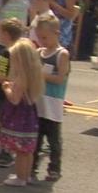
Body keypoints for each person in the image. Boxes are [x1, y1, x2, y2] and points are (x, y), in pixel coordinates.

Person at [0, 38, 43, 186]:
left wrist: (6, 88)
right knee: (28, 150)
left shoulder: (20, 78)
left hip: (19, 118)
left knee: (20, 151)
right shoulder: (34, 75)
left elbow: (15, 99)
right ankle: (27, 175)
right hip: (30, 116)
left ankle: (20, 177)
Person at [32, 15, 71, 182]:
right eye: (39, 37)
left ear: (56, 34)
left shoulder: (62, 54)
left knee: (54, 140)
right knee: (35, 138)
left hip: (53, 102)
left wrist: (41, 75)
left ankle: (54, 168)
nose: (42, 41)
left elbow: (60, 78)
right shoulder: (39, 52)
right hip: (38, 101)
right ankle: (31, 167)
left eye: (45, 37)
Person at [0, 18, 25, 168]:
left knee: (3, 122)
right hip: (16, 91)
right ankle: (5, 151)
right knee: (8, 123)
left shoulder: (5, 53)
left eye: (0, 32)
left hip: (5, 92)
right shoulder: (21, 51)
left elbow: (2, 75)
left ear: (7, 34)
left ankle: (6, 153)